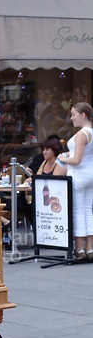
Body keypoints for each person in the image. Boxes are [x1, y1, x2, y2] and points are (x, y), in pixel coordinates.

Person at [57, 102, 93, 260]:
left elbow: (76, 160)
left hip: (78, 175)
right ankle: (90, 249)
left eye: (73, 114)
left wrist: (62, 158)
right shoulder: (90, 132)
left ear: (83, 115)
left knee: (78, 212)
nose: (71, 118)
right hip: (90, 174)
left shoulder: (81, 134)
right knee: (88, 211)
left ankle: (79, 250)